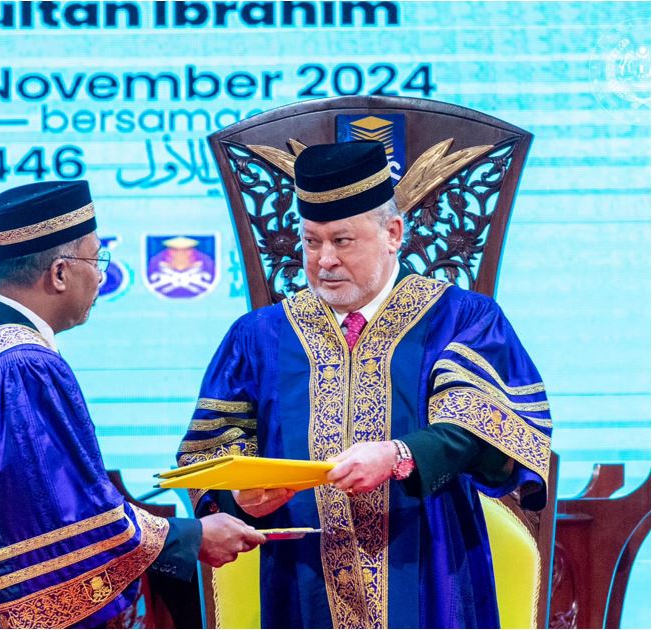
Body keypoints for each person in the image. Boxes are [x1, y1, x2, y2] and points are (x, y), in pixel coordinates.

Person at [177, 141, 552, 628]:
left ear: (392, 233)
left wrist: (398, 455)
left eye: (342, 240)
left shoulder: (460, 319)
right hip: (303, 585)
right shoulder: (259, 337)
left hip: (430, 573)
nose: (324, 260)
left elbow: (477, 430)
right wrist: (240, 498)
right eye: (312, 241)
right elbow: (209, 456)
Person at [0, 180, 264, 629]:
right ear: (60, 273)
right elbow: (62, 521)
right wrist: (190, 537)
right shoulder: (23, 368)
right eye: (96, 259)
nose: (101, 276)